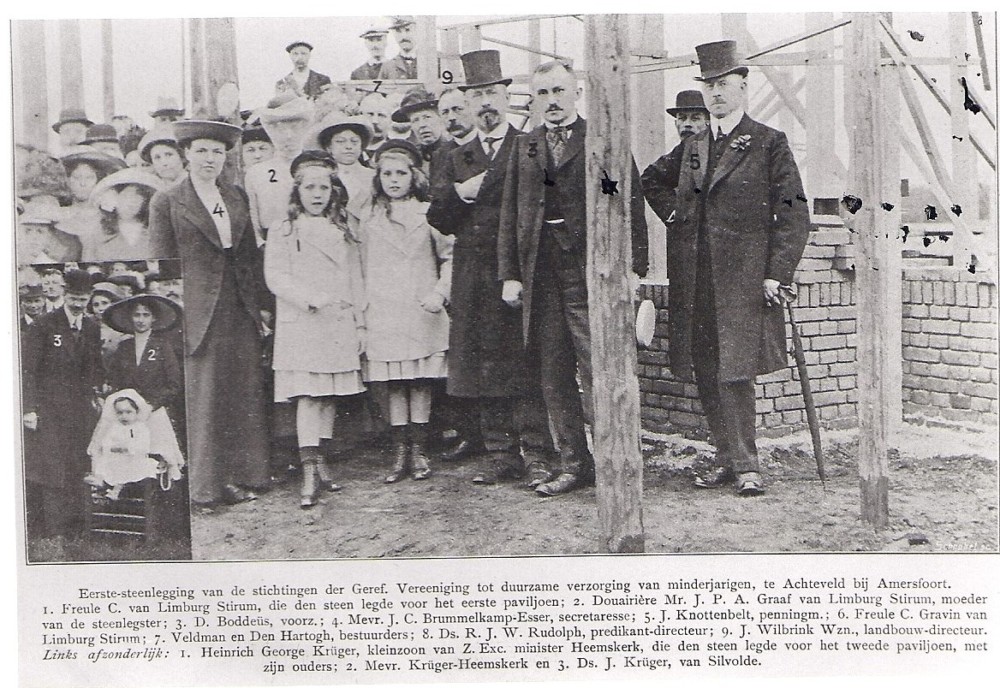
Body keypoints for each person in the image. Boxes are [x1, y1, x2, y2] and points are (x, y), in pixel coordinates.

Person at [498, 59, 649, 496]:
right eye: (543, 93)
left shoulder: (601, 140)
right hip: (541, 274)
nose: (552, 101)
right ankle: (574, 464)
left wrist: (633, 269)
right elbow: (510, 212)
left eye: (559, 91)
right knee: (554, 373)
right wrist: (510, 274)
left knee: (599, 366)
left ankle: (615, 464)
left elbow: (628, 202)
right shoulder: (525, 147)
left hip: (590, 272)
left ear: (576, 93)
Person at [666, 40, 810, 496]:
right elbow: (651, 180)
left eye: (723, 84)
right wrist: (674, 215)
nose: (715, 93)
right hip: (697, 280)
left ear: (743, 87)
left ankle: (748, 466)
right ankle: (725, 459)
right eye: (708, 85)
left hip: (742, 282)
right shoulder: (694, 145)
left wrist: (777, 273)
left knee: (735, 373)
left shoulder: (768, 142)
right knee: (706, 368)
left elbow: (794, 214)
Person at [428, 49, 555, 485]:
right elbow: (438, 216)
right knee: (484, 366)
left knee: (525, 363)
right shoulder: (453, 156)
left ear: (505, 97)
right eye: (476, 95)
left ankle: (538, 453)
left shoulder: (530, 144)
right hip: (473, 276)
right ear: (468, 102)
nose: (485, 103)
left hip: (521, 272)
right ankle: (501, 454)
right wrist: (462, 191)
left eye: (491, 94)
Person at [149, 119, 270, 508]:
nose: (209, 159)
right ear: (186, 154)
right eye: (201, 150)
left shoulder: (235, 195)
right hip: (197, 311)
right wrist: (174, 316)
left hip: (239, 306)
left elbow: (247, 256)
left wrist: (260, 307)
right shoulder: (167, 200)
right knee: (206, 397)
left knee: (243, 391)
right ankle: (206, 488)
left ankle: (246, 475)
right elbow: (162, 265)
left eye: (217, 152)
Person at [265, 151, 367, 507]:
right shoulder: (283, 228)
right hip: (303, 322)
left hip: (337, 320)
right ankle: (308, 470)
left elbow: (355, 277)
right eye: (310, 188)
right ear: (297, 191)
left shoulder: (342, 228)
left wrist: (359, 322)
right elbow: (275, 276)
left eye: (324, 188)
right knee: (309, 395)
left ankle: (321, 461)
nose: (317, 194)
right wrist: (312, 299)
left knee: (328, 394)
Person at [360, 140, 453, 483]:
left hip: (421, 309)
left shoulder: (428, 213)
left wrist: (439, 293)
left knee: (420, 382)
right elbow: (359, 267)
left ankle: (419, 450)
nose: (394, 180)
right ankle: (400, 451)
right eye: (387, 174)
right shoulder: (367, 218)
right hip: (384, 311)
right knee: (395, 383)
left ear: (414, 177)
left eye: (401, 173)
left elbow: (450, 257)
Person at [21, 269, 103, 546]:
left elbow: (94, 366)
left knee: (78, 464)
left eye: (83, 299)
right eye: (74, 298)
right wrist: (29, 409)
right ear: (65, 295)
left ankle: (76, 528)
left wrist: (98, 393)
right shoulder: (44, 324)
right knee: (52, 468)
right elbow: (28, 370)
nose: (78, 304)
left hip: (81, 411)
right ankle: (52, 530)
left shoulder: (91, 326)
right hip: (49, 409)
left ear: (89, 298)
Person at [245, 95, 315, 247]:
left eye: (294, 127)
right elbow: (252, 217)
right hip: (271, 246)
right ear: (270, 130)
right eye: (280, 129)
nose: (288, 135)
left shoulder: (316, 168)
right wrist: (261, 245)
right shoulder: (256, 173)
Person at [641, 90, 711, 227]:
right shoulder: (680, 152)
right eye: (682, 118)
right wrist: (672, 210)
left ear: (707, 122)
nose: (687, 124)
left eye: (695, 118)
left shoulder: (718, 147)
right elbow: (650, 178)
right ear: (676, 123)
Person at [84, 168, 164, 261]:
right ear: (114, 198)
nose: (131, 202)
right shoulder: (97, 234)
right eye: (126, 196)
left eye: (138, 197)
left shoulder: (157, 233)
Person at [307, 111, 375, 222]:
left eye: (354, 141)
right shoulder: (322, 176)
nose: (348, 146)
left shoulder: (373, 176)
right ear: (328, 147)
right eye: (340, 141)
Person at [57, 148, 127, 243]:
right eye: (76, 177)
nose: (83, 183)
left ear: (98, 180)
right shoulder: (58, 214)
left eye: (89, 178)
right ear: (68, 180)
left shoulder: (107, 218)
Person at [391, 88, 448, 167]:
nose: (422, 125)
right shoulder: (408, 157)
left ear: (440, 118)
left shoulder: (456, 151)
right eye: (415, 120)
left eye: (427, 117)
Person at [88, 280, 127, 362]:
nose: (100, 308)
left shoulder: (124, 329)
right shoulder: (88, 328)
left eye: (104, 303)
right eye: (96, 305)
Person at [359, 92, 391, 157]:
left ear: (390, 120)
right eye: (370, 114)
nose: (375, 121)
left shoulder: (395, 150)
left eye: (381, 115)